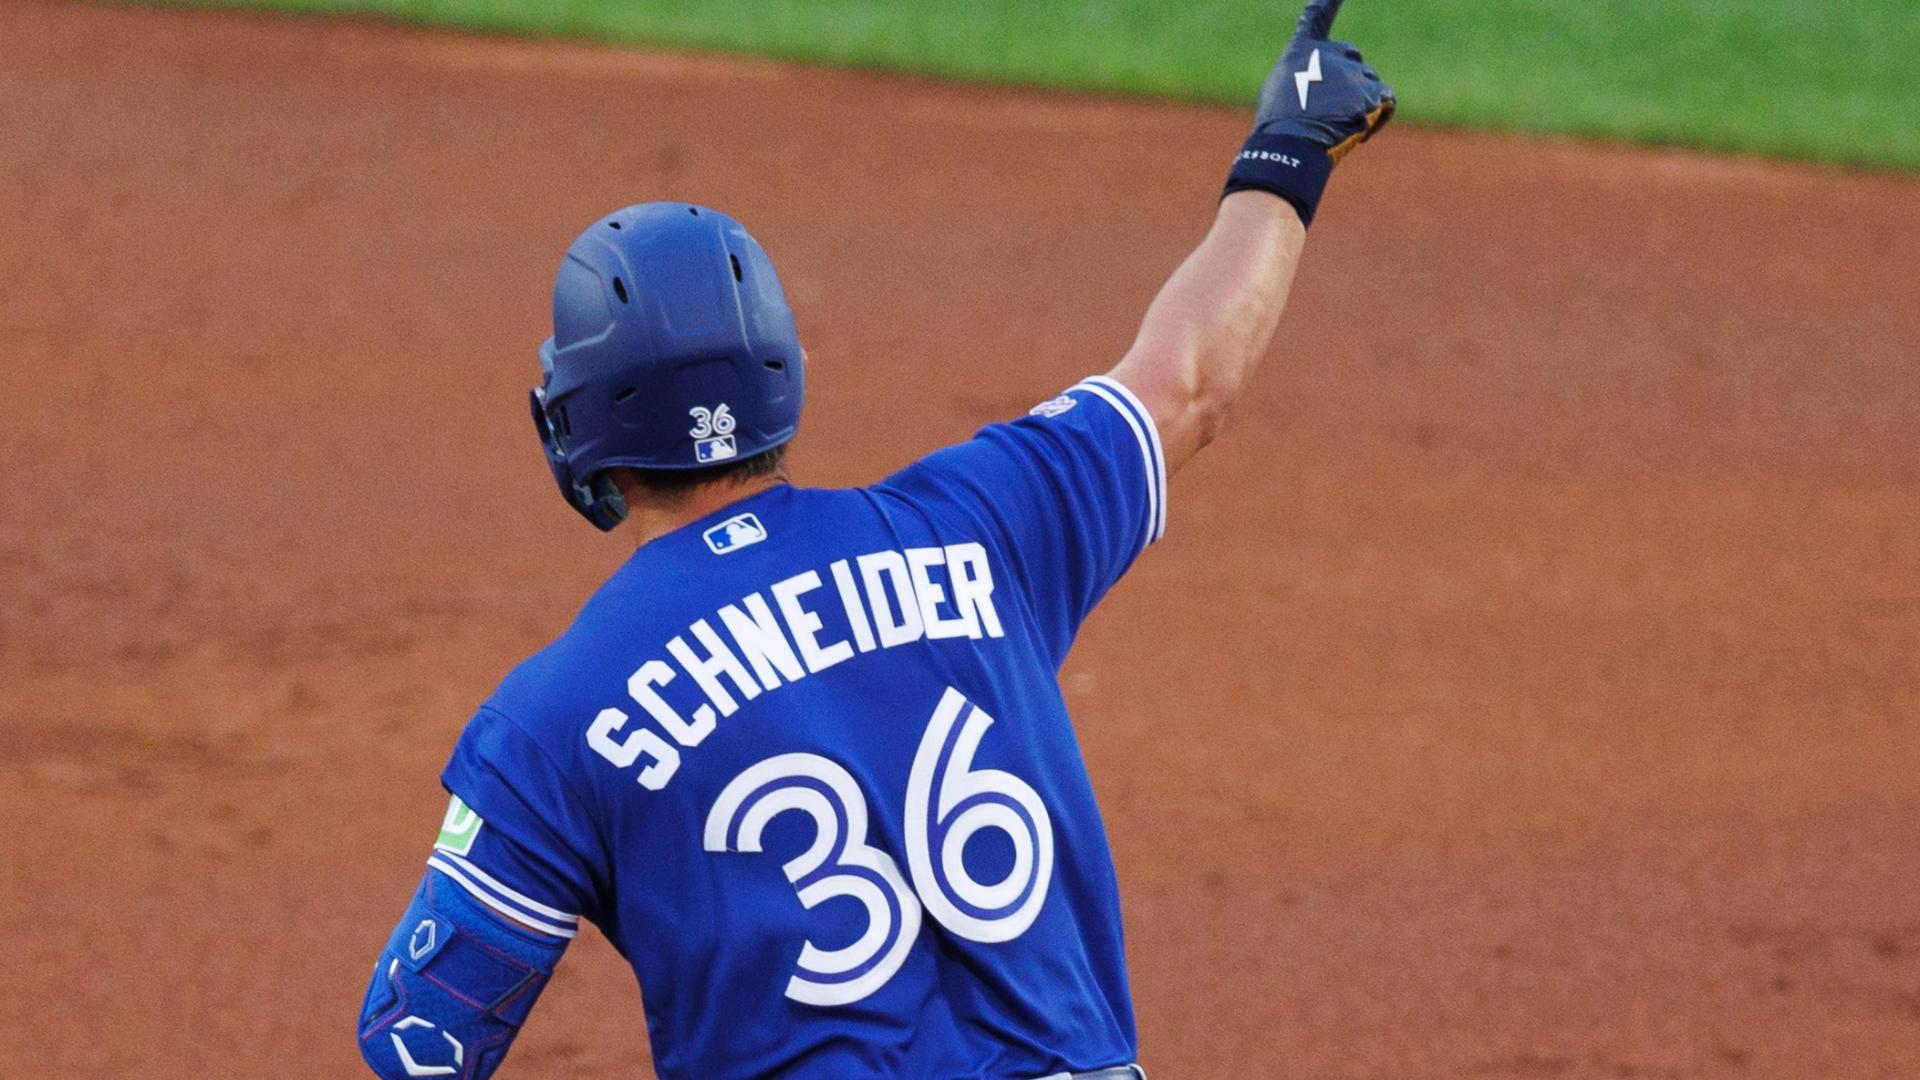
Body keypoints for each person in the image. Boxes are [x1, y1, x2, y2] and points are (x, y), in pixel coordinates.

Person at [356, 2, 1392, 1076]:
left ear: (575, 423)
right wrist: (1287, 151)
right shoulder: (984, 520)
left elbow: (422, 1042)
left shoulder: (554, 717)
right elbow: (1187, 382)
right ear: (777, 373)